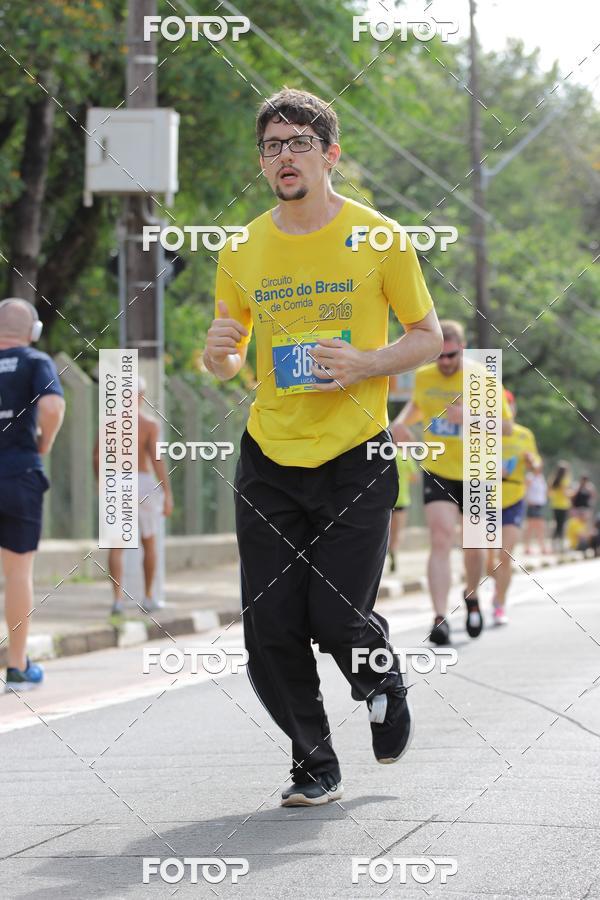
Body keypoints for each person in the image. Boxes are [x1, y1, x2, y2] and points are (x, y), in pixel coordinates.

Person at [204, 88, 442, 807]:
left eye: (299, 143)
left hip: (356, 453)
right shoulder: (241, 247)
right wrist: (218, 354)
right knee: (270, 627)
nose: (285, 156)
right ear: (262, 161)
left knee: (336, 614)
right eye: (272, 146)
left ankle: (381, 682)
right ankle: (314, 765)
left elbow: (427, 337)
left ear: (330, 154)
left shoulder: (379, 237)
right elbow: (228, 356)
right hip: (269, 455)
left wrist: (367, 363)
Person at [392, 320, 513, 645]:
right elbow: (417, 406)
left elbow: (506, 427)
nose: (445, 362)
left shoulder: (483, 378)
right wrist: (400, 423)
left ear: (462, 349)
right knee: (441, 537)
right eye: (439, 356)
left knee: (474, 546)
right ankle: (439, 617)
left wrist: (469, 418)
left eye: (451, 355)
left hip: (477, 470)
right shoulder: (423, 376)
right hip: (438, 468)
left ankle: (471, 596)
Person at [0, 298, 65, 691]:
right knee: (18, 573)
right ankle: (17, 667)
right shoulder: (36, 362)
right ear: (34, 331)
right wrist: (43, 444)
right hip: (19, 473)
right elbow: (53, 407)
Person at [93, 377, 173, 614]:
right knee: (149, 542)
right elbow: (157, 459)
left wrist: (101, 483)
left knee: (116, 546)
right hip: (143, 482)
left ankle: (118, 601)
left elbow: (97, 456)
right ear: (142, 396)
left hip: (117, 481)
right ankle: (148, 597)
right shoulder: (149, 424)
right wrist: (167, 492)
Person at [488, 391, 541, 625]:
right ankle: (497, 586)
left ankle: (500, 604)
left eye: (508, 405)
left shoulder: (524, 434)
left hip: (514, 497)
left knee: (505, 556)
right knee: (486, 560)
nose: (505, 410)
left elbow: (537, 466)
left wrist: (532, 462)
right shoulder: (481, 430)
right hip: (485, 497)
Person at [388, 440, 418, 573]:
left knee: (386, 529)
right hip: (402, 499)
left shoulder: (385, 456)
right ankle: (393, 550)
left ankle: (385, 549)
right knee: (397, 531)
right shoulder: (406, 457)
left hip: (386, 499)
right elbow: (415, 478)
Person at [523, 467, 548, 555]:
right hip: (532, 505)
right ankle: (528, 547)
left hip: (539, 505)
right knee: (531, 527)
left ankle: (541, 547)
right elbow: (525, 489)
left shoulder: (541, 477)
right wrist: (527, 500)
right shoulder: (530, 476)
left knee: (540, 527)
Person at [548, 461, 572, 553]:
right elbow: (565, 493)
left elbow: (549, 493)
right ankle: (560, 546)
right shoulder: (565, 480)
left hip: (555, 504)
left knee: (556, 524)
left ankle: (554, 544)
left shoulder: (553, 479)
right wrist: (573, 493)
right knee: (561, 525)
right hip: (563, 505)